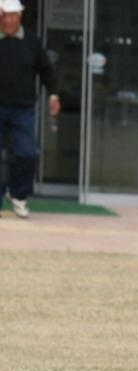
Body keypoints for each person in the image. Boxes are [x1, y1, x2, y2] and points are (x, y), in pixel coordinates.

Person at [0, 0, 59, 219]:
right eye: (4, 15)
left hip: (22, 109)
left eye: (12, 15)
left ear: (20, 16)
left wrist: (53, 94)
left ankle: (18, 196)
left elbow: (46, 71)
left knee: (26, 153)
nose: (8, 20)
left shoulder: (31, 42)